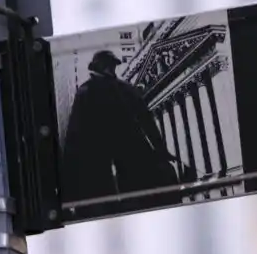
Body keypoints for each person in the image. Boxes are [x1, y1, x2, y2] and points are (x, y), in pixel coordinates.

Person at [60, 49, 194, 205]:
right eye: (106, 65)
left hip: (127, 154)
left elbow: (147, 121)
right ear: (97, 67)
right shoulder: (89, 91)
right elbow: (75, 133)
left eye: (112, 65)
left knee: (137, 194)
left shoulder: (122, 89)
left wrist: (161, 149)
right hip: (106, 158)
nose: (110, 69)